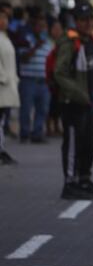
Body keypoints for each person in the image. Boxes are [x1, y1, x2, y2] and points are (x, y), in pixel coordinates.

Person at [54, 3, 93, 199]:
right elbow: (59, 73)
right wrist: (79, 93)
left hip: (88, 103)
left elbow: (92, 73)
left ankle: (84, 180)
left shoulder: (91, 41)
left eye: (91, 19)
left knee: (89, 144)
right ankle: (69, 184)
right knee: (72, 145)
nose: (88, 23)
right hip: (72, 103)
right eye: (83, 20)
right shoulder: (69, 43)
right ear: (76, 21)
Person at [17, 12, 53, 144]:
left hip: (43, 81)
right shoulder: (27, 40)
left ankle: (37, 133)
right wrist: (36, 46)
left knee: (43, 109)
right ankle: (25, 133)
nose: (42, 29)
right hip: (28, 80)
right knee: (26, 109)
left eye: (44, 27)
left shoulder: (48, 43)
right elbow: (23, 58)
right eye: (40, 26)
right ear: (34, 27)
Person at [0, 10, 19, 165]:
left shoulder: (5, 37)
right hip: (2, 84)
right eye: (2, 18)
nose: (5, 21)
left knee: (2, 119)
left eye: (6, 18)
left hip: (7, 85)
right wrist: (3, 78)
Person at [45, 17, 64, 138]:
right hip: (50, 77)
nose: (57, 31)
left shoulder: (63, 43)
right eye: (55, 29)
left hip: (60, 78)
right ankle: (49, 127)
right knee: (49, 105)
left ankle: (57, 126)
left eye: (59, 29)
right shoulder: (47, 43)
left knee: (58, 104)